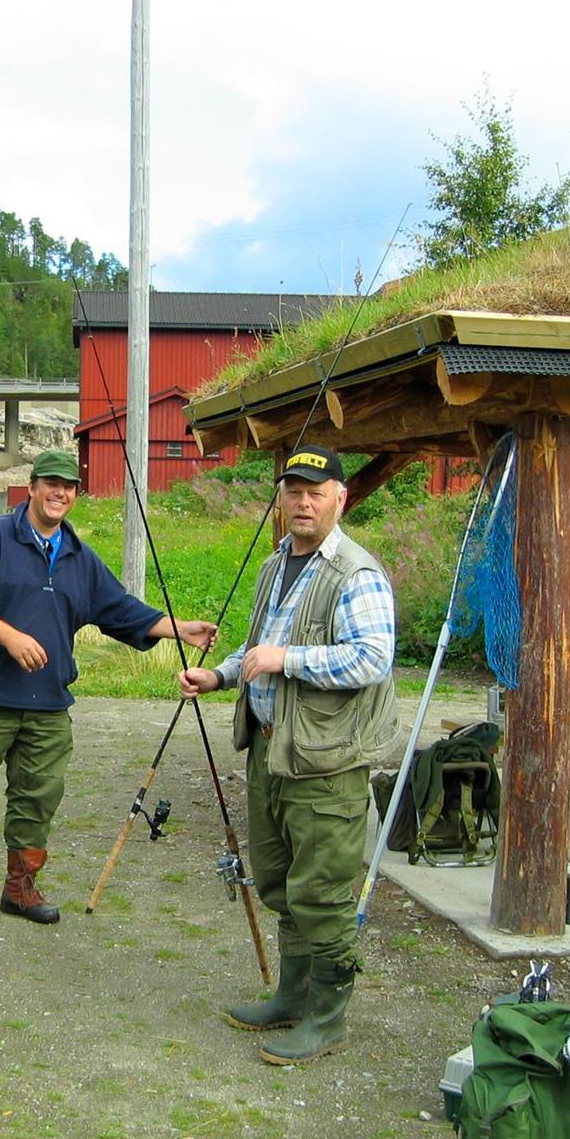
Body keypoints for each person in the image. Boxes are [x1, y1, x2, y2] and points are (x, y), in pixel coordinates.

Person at [0, 448, 217, 931]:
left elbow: (121, 611)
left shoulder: (78, 556)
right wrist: (7, 635)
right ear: (31, 487)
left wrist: (180, 628)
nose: (60, 493)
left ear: (76, 494)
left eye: (70, 486)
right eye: (51, 483)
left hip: (48, 705)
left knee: (38, 796)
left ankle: (21, 888)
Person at [177, 444, 397, 1065]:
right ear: (282, 498)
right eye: (294, 491)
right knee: (279, 880)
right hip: (271, 754)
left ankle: (327, 1020)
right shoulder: (278, 565)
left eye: (316, 493)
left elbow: (371, 659)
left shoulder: (357, 573)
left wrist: (289, 660)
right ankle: (292, 997)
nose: (303, 502)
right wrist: (219, 677)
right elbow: (258, 648)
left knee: (324, 892)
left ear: (340, 499)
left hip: (326, 763)